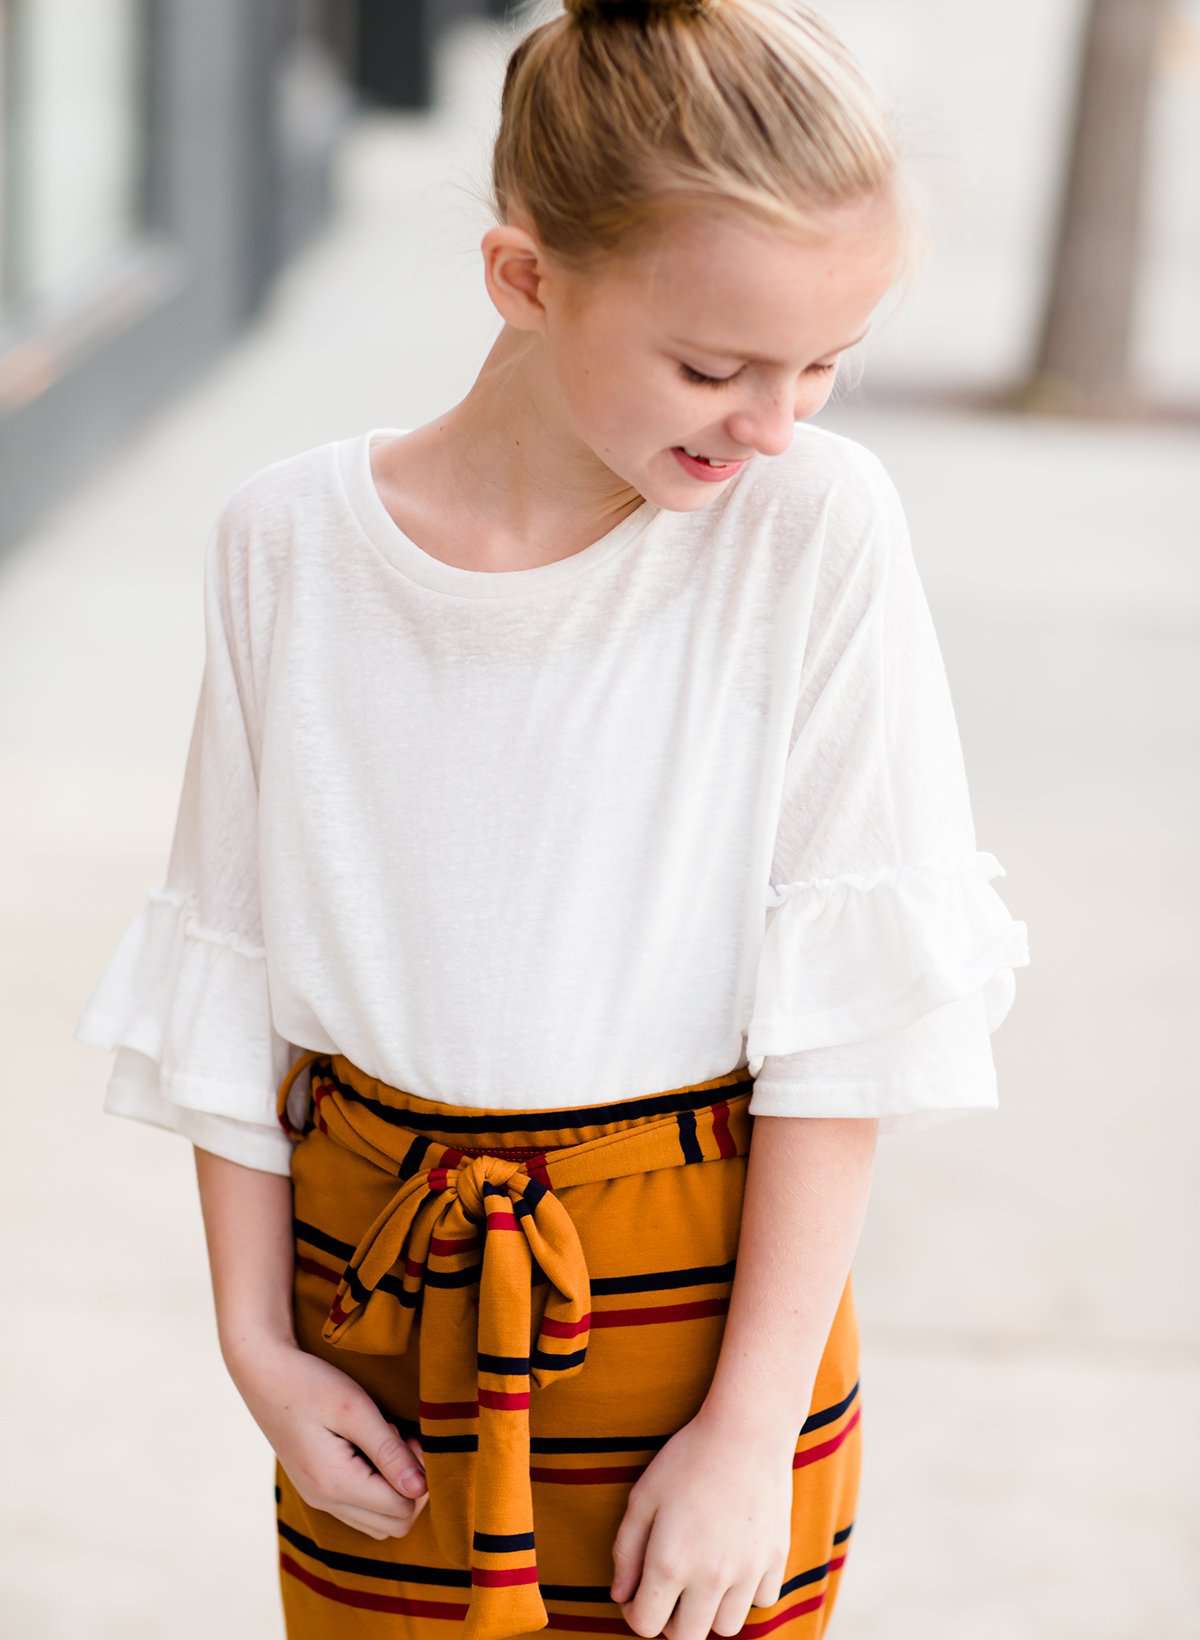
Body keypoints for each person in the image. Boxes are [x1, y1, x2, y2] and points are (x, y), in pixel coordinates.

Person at [74, 1, 1030, 1636]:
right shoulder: (290, 544)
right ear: (524, 278)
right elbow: (226, 977)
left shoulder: (812, 530)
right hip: (377, 1308)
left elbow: (848, 1031)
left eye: (823, 367)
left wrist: (747, 1437)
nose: (776, 424)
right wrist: (259, 1351)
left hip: (710, 1329)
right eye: (715, 366)